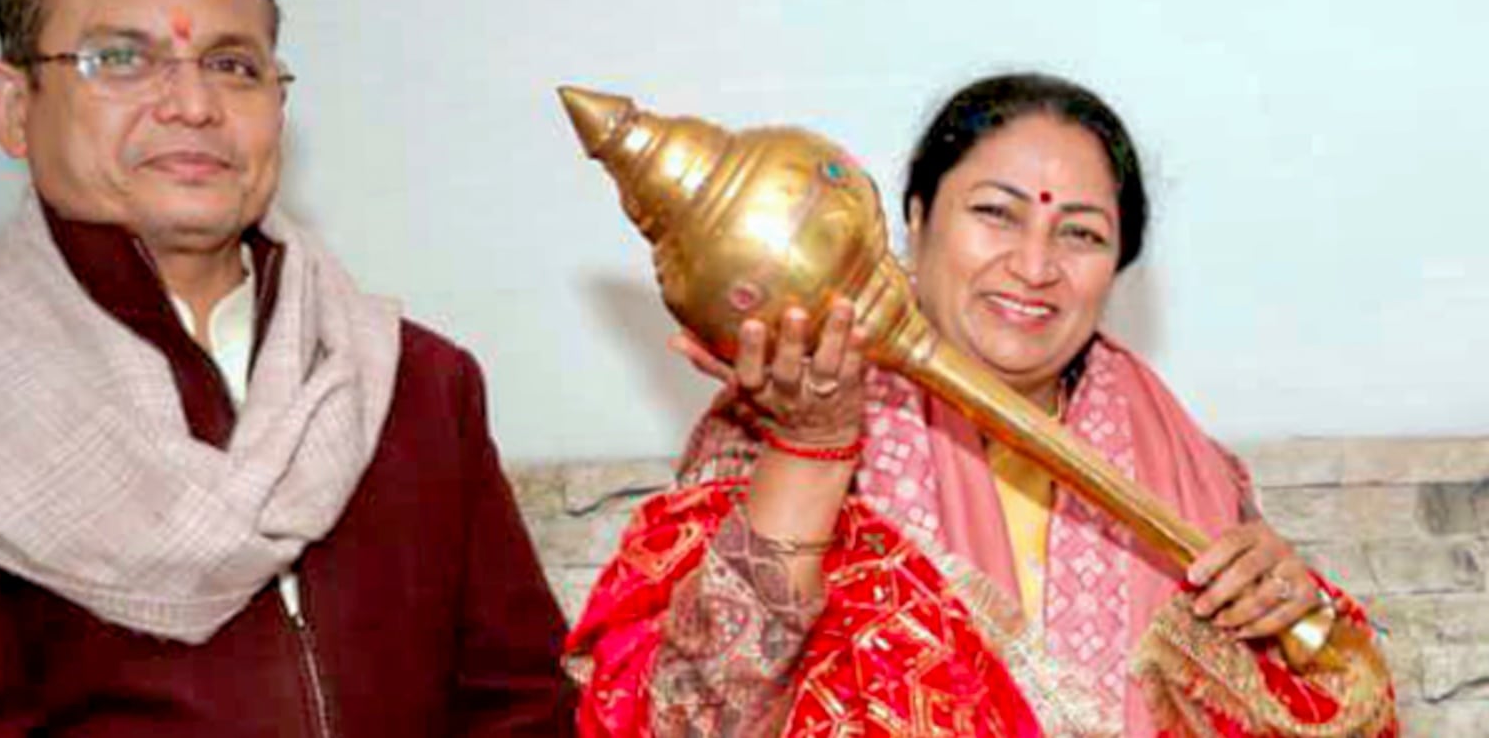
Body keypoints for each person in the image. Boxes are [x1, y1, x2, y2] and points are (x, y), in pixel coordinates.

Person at [0, 0, 572, 735]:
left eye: (233, 65)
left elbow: (520, 707)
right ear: (13, 107)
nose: (194, 104)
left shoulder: (414, 382)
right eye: (121, 59)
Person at [567, 73, 1397, 736]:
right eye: (996, 214)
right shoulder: (773, 425)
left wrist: (1294, 620)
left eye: (1081, 234)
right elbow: (690, 719)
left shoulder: (1184, 465)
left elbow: (1343, 711)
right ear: (915, 219)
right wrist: (811, 451)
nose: (1034, 266)